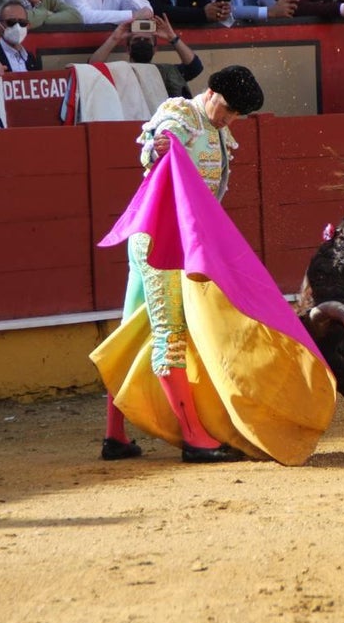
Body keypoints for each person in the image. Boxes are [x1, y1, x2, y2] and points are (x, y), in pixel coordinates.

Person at [94, 64, 265, 463]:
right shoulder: (180, 113)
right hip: (162, 240)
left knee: (131, 336)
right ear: (210, 91)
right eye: (227, 108)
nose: (229, 119)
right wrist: (158, 147)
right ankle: (194, 438)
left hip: (166, 237)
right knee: (170, 334)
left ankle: (114, 436)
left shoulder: (221, 131)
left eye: (237, 114)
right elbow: (159, 137)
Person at [89, 13, 204, 97]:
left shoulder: (166, 72)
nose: (142, 42)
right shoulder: (118, 72)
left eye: (147, 41)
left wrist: (172, 37)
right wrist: (115, 38)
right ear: (128, 49)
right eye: (137, 40)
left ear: (155, 49)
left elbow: (195, 67)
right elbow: (92, 68)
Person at [0, 0, 42, 73]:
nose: (17, 27)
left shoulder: (31, 58)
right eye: (11, 22)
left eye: (22, 23)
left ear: (28, 26)